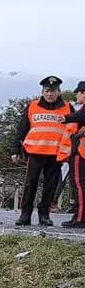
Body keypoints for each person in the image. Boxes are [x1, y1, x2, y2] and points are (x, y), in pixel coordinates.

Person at [11, 76, 72, 226]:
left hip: (56, 154)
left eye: (53, 91)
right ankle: (25, 215)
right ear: (42, 92)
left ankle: (44, 214)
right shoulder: (32, 106)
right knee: (30, 184)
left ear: (58, 92)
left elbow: (74, 128)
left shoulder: (68, 107)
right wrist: (15, 150)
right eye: (47, 91)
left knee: (50, 186)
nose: (49, 94)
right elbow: (22, 128)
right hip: (35, 152)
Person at [53, 81, 85, 212]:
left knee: (78, 182)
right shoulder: (78, 109)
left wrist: (65, 118)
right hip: (73, 152)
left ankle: (79, 214)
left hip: (79, 151)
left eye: (78, 93)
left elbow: (79, 116)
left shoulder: (79, 111)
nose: (76, 96)